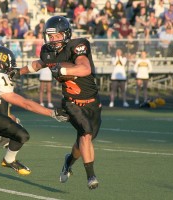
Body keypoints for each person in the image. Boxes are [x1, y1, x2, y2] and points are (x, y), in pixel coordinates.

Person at [0, 46, 68, 192]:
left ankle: (9, 160)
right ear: (0, 65)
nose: (9, 69)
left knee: (21, 135)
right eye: (8, 66)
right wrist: (52, 113)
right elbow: (25, 103)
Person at [12, 16, 102, 189]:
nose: (52, 40)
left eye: (56, 36)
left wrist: (62, 69)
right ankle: (91, 176)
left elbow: (85, 68)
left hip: (92, 102)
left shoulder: (78, 46)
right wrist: (19, 72)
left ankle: (69, 160)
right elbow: (39, 64)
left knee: (82, 143)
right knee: (86, 135)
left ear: (66, 34)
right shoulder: (48, 51)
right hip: (71, 102)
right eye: (50, 36)